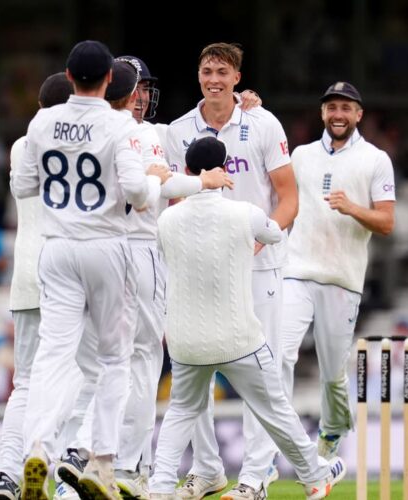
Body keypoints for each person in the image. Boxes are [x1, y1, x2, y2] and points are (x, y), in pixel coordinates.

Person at [51, 58, 233, 500]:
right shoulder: (140, 133)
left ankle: (73, 467)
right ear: (124, 91)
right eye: (139, 89)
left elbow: (199, 123)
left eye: (147, 89)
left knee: (97, 365)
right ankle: (123, 464)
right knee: (141, 361)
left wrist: (243, 103)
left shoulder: (89, 131)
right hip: (137, 251)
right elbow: (163, 186)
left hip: (88, 253)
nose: (143, 97)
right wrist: (203, 182)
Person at [10, 40, 171, 500]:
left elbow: (23, 184)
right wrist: (156, 181)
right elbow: (139, 194)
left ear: (68, 74)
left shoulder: (42, 121)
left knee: (54, 356)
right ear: (107, 81)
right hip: (105, 246)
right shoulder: (117, 124)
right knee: (114, 358)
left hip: (57, 247)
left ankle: (38, 445)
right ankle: (101, 461)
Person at [149, 137, 345, 500]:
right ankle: (315, 476)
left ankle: (160, 488)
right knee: (274, 409)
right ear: (223, 169)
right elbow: (273, 233)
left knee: (180, 412)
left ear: (190, 172)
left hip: (186, 341)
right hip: (237, 337)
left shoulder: (167, 220)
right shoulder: (244, 213)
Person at [159, 42, 298, 500]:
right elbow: (176, 194)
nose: (213, 79)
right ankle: (206, 470)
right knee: (193, 364)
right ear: (198, 76)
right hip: (204, 268)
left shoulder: (263, 122)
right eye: (206, 71)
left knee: (265, 373)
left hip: (260, 265)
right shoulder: (179, 130)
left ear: (238, 78)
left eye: (222, 71)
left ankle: (255, 477)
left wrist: (261, 237)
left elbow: (289, 197)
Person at [278, 81, 395, 460]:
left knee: (332, 373)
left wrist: (353, 208)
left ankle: (332, 428)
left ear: (358, 114)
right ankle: (272, 446)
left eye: (346, 108)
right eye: (332, 108)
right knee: (280, 353)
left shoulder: (376, 159)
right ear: (322, 113)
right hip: (296, 269)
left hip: (342, 277)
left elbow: (387, 222)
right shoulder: (300, 155)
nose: (338, 115)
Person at [0, 71, 73, 500]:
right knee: (74, 382)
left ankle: (6, 475)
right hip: (65, 278)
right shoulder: (79, 143)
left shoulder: (21, 146)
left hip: (25, 278)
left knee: (25, 384)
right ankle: (62, 480)